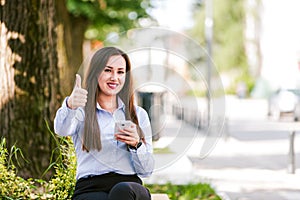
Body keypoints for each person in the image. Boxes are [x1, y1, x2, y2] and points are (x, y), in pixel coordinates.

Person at [54, 46, 154, 200]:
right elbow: (61, 129)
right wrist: (70, 104)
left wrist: (137, 145)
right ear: (96, 72)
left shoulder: (138, 114)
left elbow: (147, 171)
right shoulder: (80, 111)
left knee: (122, 191)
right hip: (90, 188)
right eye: (108, 70)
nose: (115, 77)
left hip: (130, 188)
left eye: (120, 72)